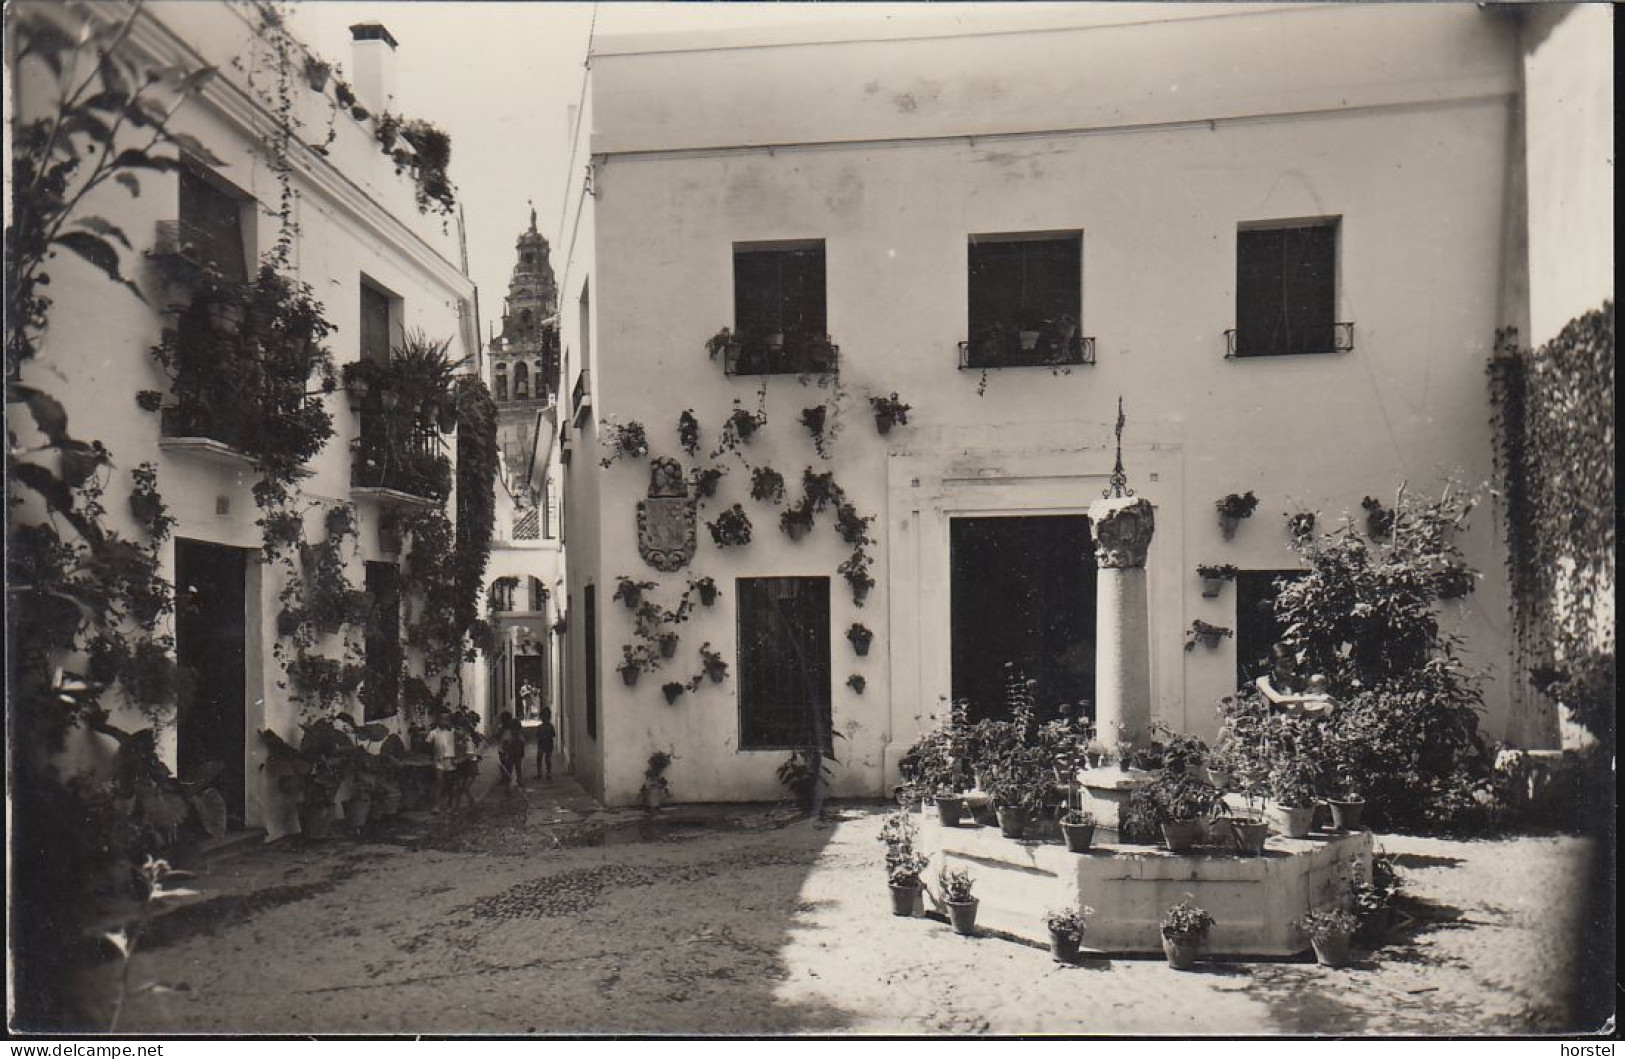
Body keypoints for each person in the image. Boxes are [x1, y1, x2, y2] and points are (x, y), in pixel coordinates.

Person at [428, 711, 457, 813]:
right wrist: (434, 755)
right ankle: (436, 805)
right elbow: (429, 744)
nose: (444, 721)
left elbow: (458, 742)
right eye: (441, 719)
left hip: (450, 760)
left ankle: (450, 805)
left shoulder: (453, 731)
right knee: (439, 782)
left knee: (450, 784)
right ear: (438, 720)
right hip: (439, 760)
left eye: (446, 719)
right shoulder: (433, 732)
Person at [497, 711, 525, 791]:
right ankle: (516, 780)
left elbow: (502, 739)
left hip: (510, 751)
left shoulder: (507, 729)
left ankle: (509, 781)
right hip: (511, 750)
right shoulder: (506, 728)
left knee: (509, 766)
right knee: (514, 766)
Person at [536, 712, 556, 781]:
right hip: (542, 744)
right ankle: (540, 773)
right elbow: (537, 735)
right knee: (540, 759)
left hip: (548, 744)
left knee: (547, 759)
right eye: (542, 718)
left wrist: (546, 736)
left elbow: (553, 734)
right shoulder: (541, 727)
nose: (543, 719)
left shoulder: (550, 726)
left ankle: (548, 773)